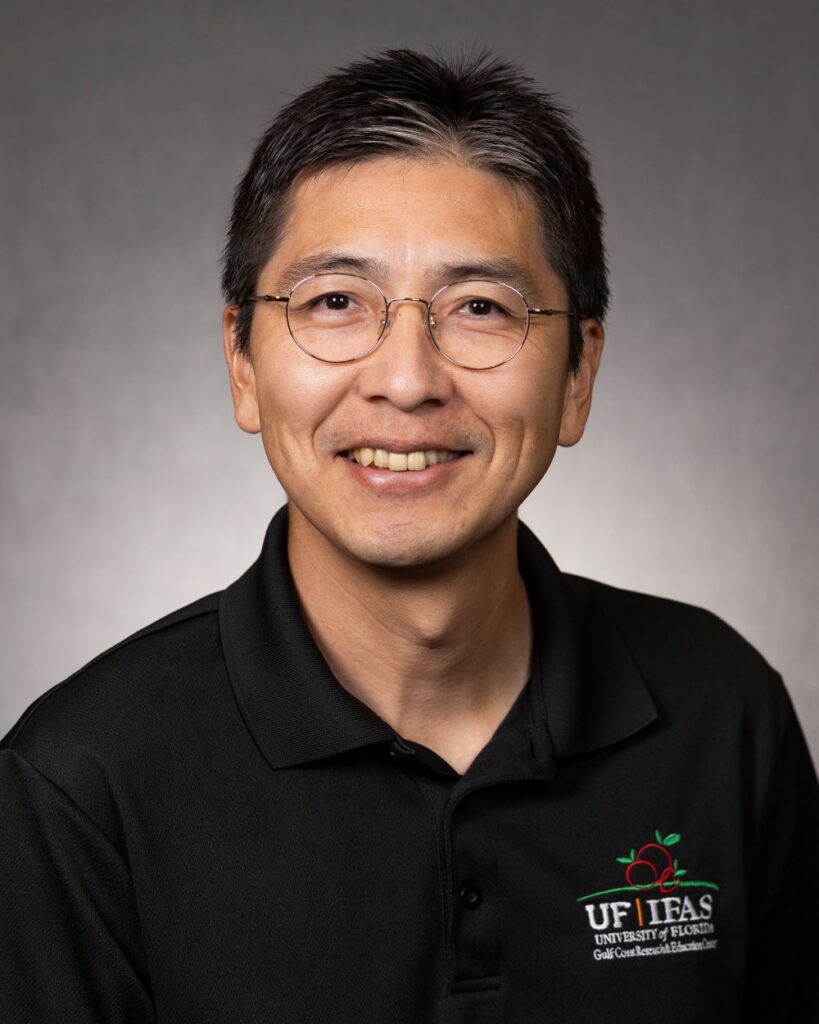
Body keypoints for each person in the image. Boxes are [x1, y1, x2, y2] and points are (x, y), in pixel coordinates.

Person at [1, 49, 817, 1024]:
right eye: (335, 302)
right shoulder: (81, 783)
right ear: (243, 363)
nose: (405, 379)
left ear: (578, 372)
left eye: (480, 307)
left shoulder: (721, 715)